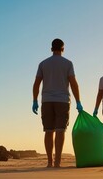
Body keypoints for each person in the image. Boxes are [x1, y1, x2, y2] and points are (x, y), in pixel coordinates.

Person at [32, 38, 83, 168]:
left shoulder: (43, 64)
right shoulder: (68, 63)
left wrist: (34, 100)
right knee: (60, 131)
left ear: (51, 49)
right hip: (63, 101)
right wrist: (78, 101)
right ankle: (57, 162)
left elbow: (36, 84)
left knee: (48, 131)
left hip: (47, 100)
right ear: (63, 49)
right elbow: (73, 83)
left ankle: (49, 161)